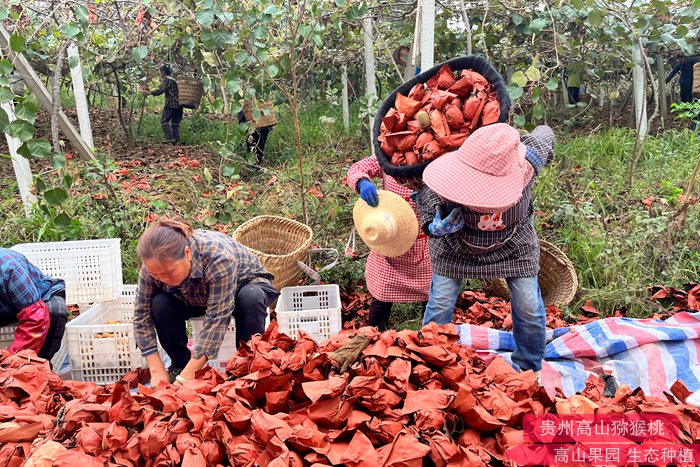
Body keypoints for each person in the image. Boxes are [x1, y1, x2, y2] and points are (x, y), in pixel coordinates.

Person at [414, 123, 555, 373]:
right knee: (440, 303)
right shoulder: (454, 172)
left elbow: (545, 133)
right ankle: (431, 363)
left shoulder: (526, 166)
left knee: (529, 305)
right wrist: (433, 224)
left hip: (514, 245)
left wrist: (525, 154)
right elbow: (428, 192)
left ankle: (529, 367)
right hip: (454, 245)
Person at [132, 217, 279, 386]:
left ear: (187, 254)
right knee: (159, 303)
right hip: (195, 294)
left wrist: (188, 376)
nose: (164, 279)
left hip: (244, 285)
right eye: (157, 276)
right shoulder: (154, 266)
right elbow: (141, 316)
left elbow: (217, 318)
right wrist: (157, 370)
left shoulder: (218, 258)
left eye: (169, 272)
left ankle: (246, 367)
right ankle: (180, 364)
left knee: (250, 297)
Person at [347, 156, 431, 331]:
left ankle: (430, 334)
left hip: (426, 242)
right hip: (390, 237)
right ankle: (374, 334)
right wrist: (362, 182)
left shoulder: (435, 160)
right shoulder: (390, 158)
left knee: (431, 293)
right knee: (382, 292)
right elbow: (358, 168)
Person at [0, 248, 67, 364]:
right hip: (4, 308)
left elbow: (35, 317)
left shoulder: (9, 269)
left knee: (55, 312)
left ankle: (40, 366)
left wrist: (12, 362)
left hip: (40, 298)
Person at [141, 65, 183, 144]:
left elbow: (161, 90)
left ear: (163, 73)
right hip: (179, 105)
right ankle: (176, 141)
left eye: (160, 72)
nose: (160, 74)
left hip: (171, 105)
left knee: (164, 120)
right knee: (175, 124)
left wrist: (149, 93)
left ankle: (170, 138)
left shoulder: (167, 80)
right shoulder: (173, 80)